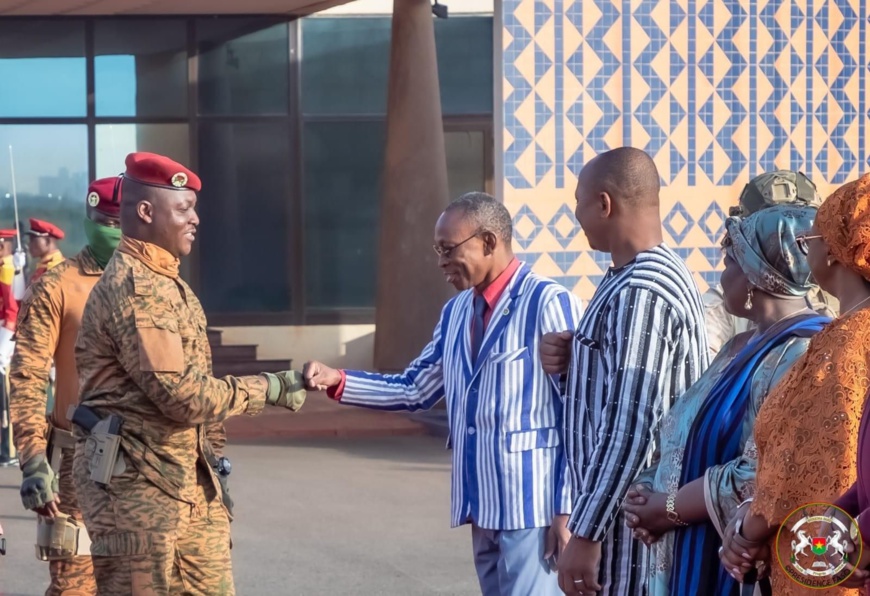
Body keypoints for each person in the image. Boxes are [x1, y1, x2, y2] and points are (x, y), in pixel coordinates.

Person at [303, 192, 583, 596]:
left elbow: (579, 414)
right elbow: (415, 387)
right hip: (481, 507)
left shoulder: (548, 303)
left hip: (534, 510)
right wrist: (338, 380)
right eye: (437, 250)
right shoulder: (455, 314)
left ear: (489, 242)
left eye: (448, 249)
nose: (440, 262)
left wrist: (568, 508)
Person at [71, 152, 306, 595]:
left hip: (183, 487)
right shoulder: (139, 288)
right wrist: (268, 387)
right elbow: (182, 396)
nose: (195, 219)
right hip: (143, 499)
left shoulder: (164, 280)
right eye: (183, 208)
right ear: (145, 211)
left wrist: (214, 469)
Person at [622, 204, 828, 595]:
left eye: (729, 262)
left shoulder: (801, 352)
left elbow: (763, 476)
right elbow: (685, 430)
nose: (722, 275)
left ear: (753, 275)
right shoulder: (739, 345)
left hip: (734, 566)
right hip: (688, 553)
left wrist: (666, 509)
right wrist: (647, 489)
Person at [540, 147, 708, 595]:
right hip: (623, 516)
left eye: (578, 201)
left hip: (630, 528)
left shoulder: (643, 291)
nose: (576, 214)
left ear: (604, 203)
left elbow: (631, 424)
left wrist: (587, 532)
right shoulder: (630, 277)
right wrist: (572, 362)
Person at [720, 172, 870, 595]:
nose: (807, 253)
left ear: (838, 253)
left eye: (811, 240)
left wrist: (746, 532)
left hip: (823, 563)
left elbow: (795, 464)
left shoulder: (841, 346)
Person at [9, 178, 122, 595]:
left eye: (118, 220)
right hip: (78, 466)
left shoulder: (161, 285)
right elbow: (27, 376)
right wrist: (33, 457)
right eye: (102, 220)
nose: (112, 228)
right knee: (74, 587)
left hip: (150, 467)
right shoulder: (58, 285)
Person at [705, 170, 837, 356]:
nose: (789, 247)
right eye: (771, 232)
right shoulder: (726, 300)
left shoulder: (842, 296)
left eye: (801, 232)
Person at [0, 229, 19, 467]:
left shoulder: (6, 270)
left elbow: (12, 309)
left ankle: (10, 449)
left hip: (6, 339)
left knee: (6, 397)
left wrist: (4, 344)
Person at [26, 218, 65, 285]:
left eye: (32, 240)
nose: (29, 244)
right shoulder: (44, 265)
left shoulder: (56, 266)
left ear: (47, 241)